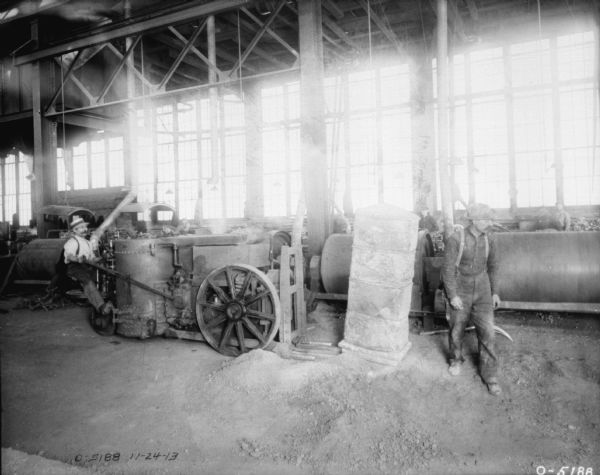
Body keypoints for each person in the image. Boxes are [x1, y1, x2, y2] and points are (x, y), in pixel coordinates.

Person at [441, 203, 502, 396]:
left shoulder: (490, 238)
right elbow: (448, 270)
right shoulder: (455, 239)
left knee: (488, 332)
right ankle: (455, 360)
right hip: (461, 286)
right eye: (485, 219)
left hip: (483, 287)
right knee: (457, 328)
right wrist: (453, 295)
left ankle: (490, 376)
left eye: (489, 219)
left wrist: (495, 292)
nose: (489, 222)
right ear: (474, 221)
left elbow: (493, 266)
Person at [63, 215, 113, 315]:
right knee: (88, 281)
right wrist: (78, 259)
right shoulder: (72, 242)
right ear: (75, 230)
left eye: (85, 227)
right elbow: (69, 256)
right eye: (81, 228)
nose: (84, 229)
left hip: (86, 266)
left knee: (106, 275)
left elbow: (92, 259)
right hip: (74, 268)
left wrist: (102, 258)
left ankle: (109, 299)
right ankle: (101, 307)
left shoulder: (87, 242)